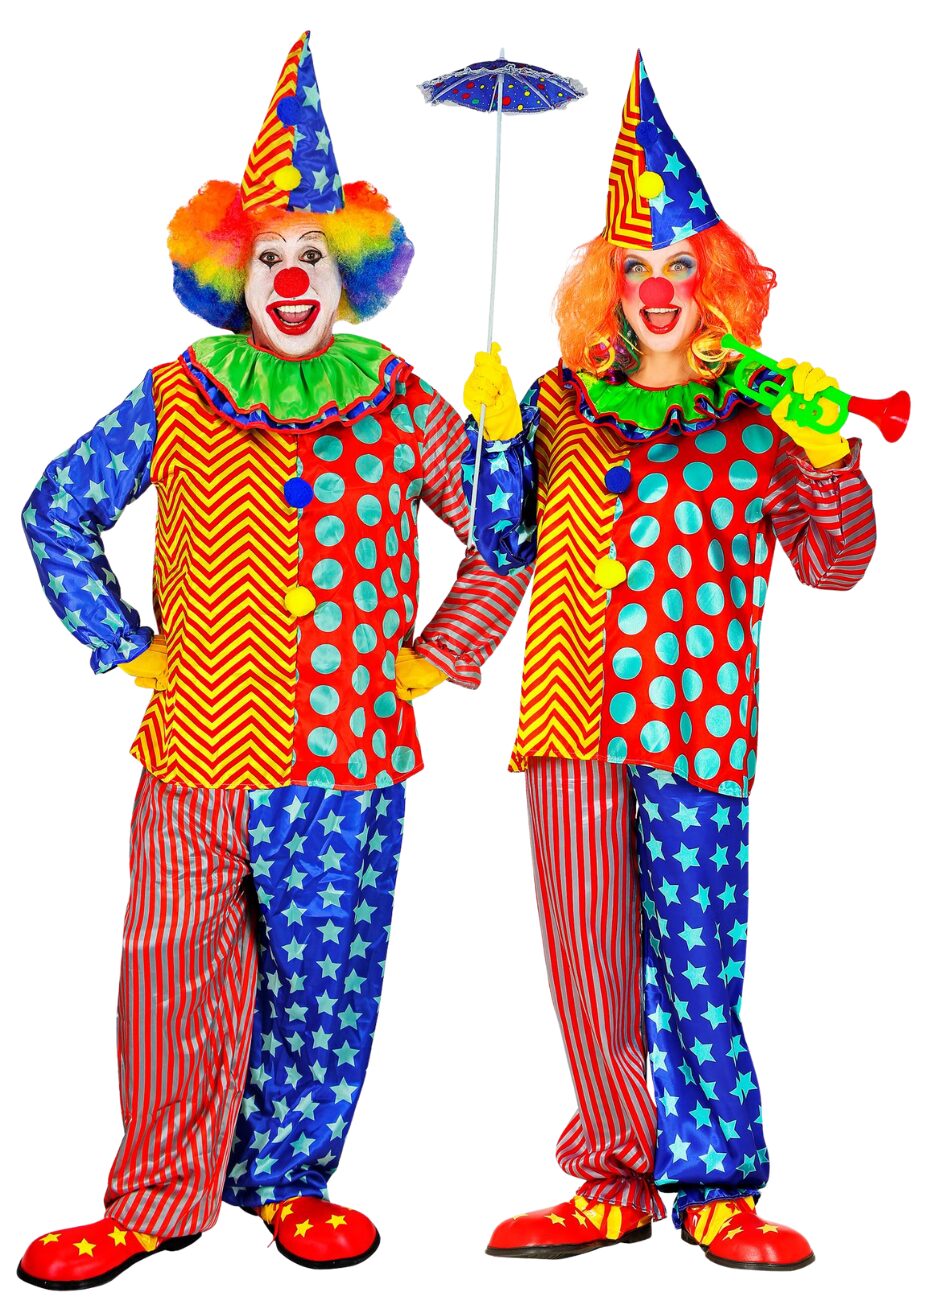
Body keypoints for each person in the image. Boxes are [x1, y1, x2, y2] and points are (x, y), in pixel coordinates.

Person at [18, 31, 528, 1290]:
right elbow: (56, 507)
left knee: (323, 979)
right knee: (170, 972)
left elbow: (501, 534)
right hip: (194, 749)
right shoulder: (179, 392)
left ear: (348, 275)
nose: (291, 277)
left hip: (347, 756)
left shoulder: (400, 398)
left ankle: (288, 1177)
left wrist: (445, 641)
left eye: (314, 256)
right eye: (269, 256)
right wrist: (122, 644)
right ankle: (157, 1193)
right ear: (229, 272)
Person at [465, 51, 875, 1271]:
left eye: (679, 266)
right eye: (635, 267)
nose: (656, 288)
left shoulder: (758, 416)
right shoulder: (557, 401)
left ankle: (717, 1183)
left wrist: (831, 455)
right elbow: (504, 543)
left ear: (717, 282)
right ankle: (611, 1176)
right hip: (569, 720)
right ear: (610, 283)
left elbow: (836, 563)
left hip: (695, 725)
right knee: (591, 966)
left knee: (697, 958)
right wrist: (496, 438)